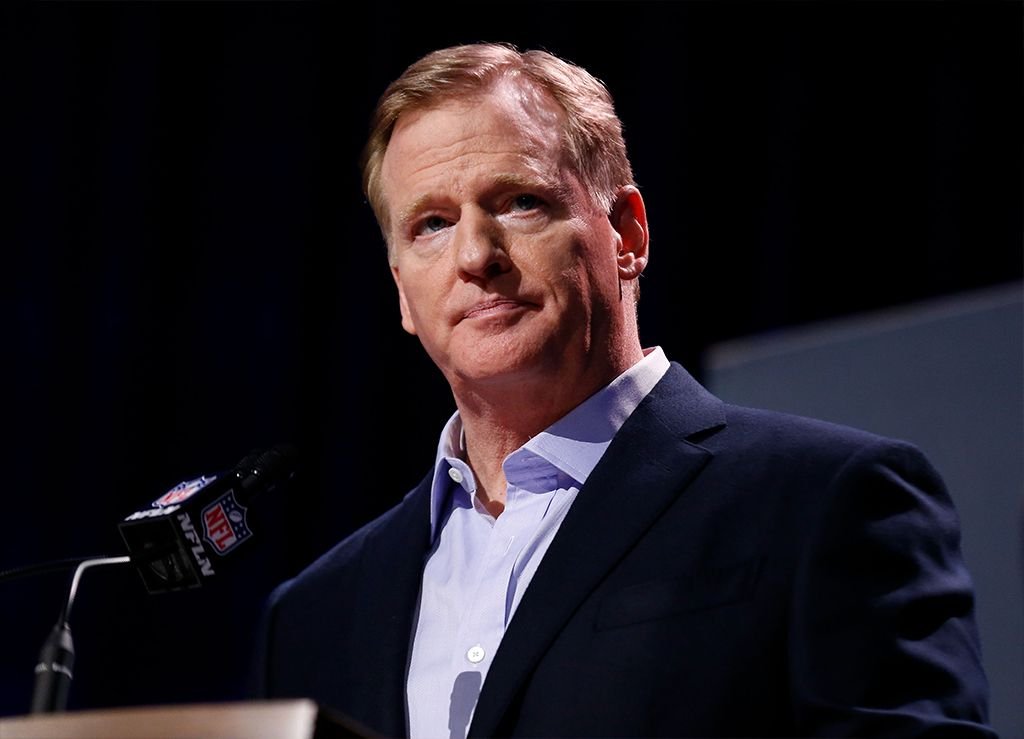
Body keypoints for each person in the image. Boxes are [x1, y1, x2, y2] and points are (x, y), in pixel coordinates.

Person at [254, 42, 994, 737]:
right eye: (433, 224)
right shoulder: (317, 613)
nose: (476, 255)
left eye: (519, 202)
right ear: (403, 296)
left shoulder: (826, 501)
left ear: (627, 235)